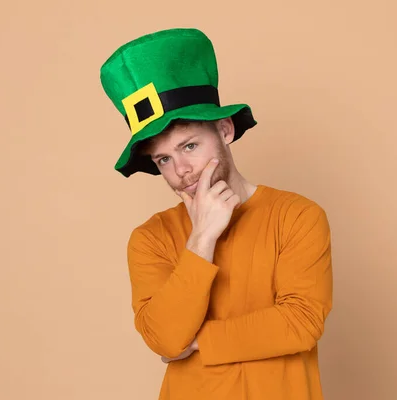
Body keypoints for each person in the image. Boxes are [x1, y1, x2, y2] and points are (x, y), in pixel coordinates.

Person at [100, 27, 333, 400]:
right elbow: (163, 337)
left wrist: (195, 342)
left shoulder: (297, 216)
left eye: (189, 145)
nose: (181, 170)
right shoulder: (151, 238)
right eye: (164, 159)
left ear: (224, 129)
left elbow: (300, 323)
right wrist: (201, 239)